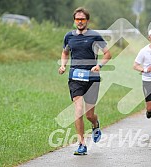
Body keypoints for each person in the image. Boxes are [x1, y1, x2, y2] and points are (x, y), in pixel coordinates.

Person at [58, 7, 111, 155]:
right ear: (74, 20)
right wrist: (63, 65)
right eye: (77, 19)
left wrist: (99, 65)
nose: (80, 22)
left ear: (87, 20)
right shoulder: (69, 36)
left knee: (89, 114)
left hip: (92, 78)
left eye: (82, 19)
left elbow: (108, 53)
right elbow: (65, 52)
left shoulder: (95, 36)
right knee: (78, 110)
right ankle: (82, 144)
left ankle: (95, 124)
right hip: (75, 77)